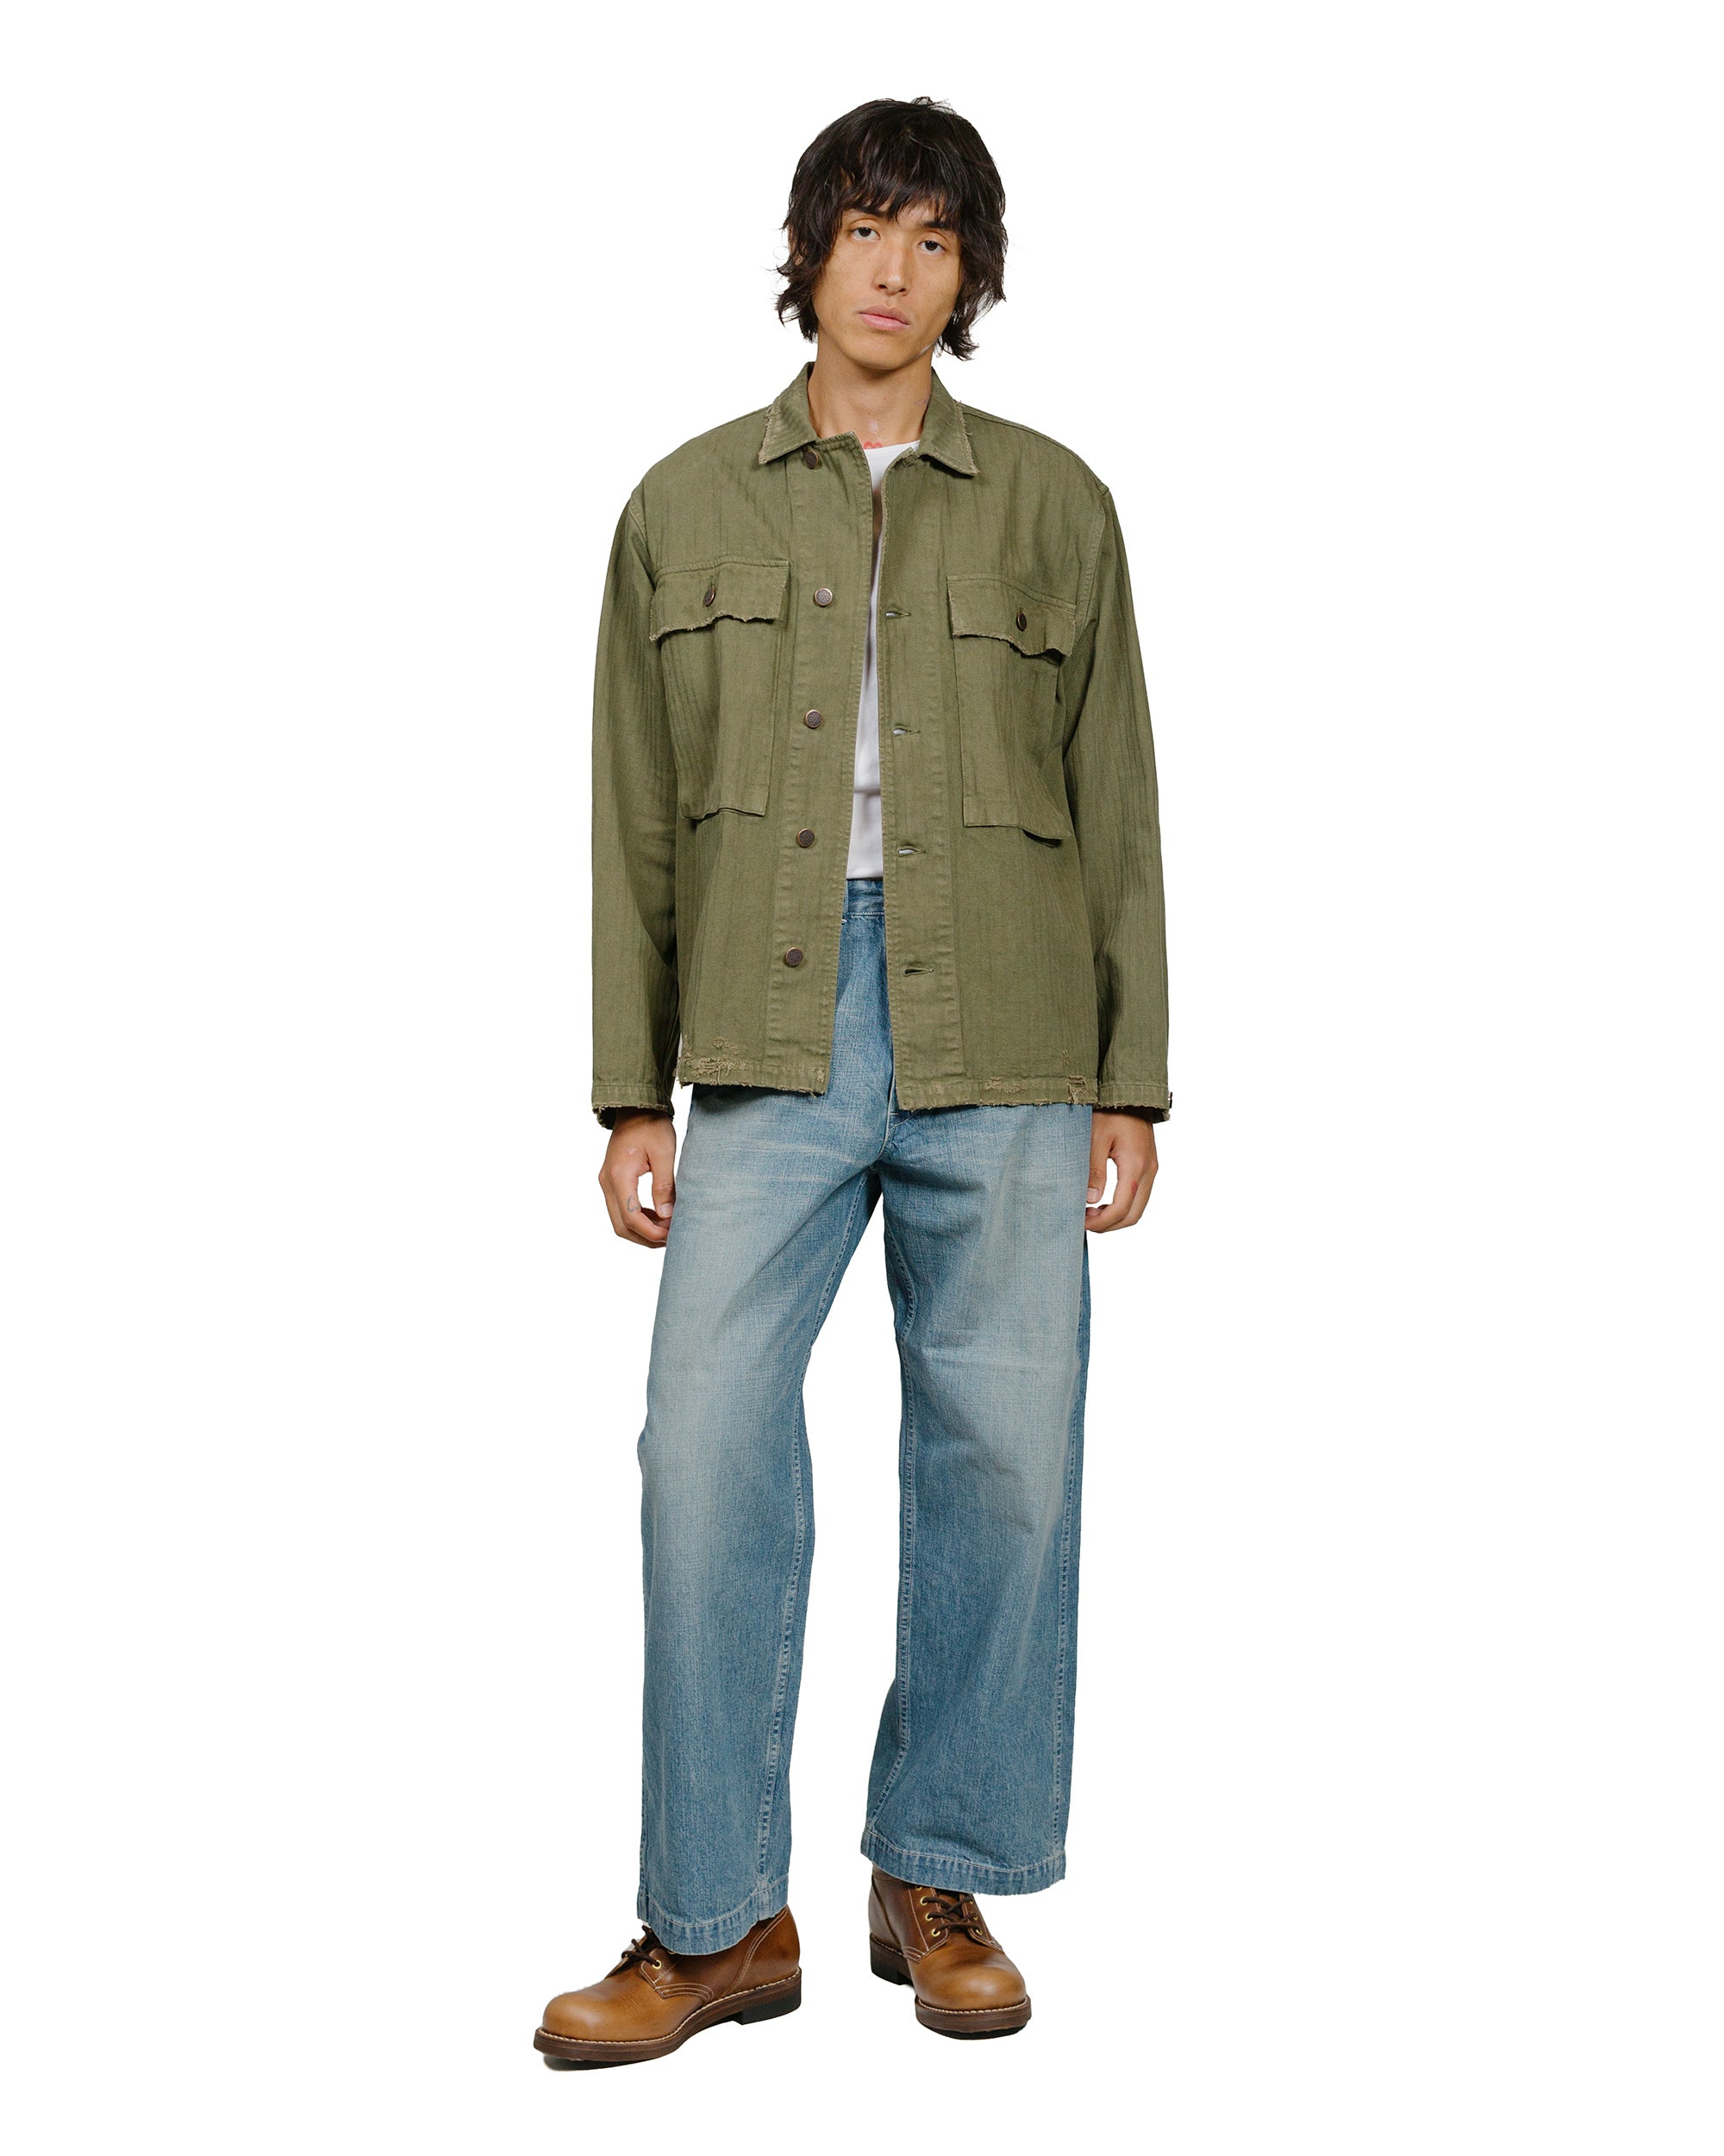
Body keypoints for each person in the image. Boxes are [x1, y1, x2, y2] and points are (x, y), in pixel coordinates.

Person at [535, 95, 1169, 2068]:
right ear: (807, 252)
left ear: (969, 276)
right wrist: (627, 1091)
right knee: (706, 1452)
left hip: (1015, 1026)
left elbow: (1119, 798)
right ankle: (715, 1918)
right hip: (764, 1015)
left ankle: (938, 1873)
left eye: (934, 239)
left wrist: (1132, 1075)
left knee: (1008, 1460)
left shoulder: (1055, 502)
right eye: (865, 230)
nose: (894, 271)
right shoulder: (682, 504)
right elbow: (632, 815)